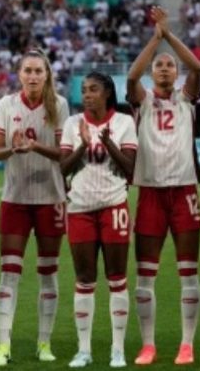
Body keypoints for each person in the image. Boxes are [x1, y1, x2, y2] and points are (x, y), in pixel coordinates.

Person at [124, 6, 200, 366]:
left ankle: (187, 344)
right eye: (160, 65)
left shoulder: (186, 99)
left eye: (170, 65)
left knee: (188, 270)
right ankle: (148, 344)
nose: (165, 68)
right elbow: (131, 77)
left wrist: (169, 35)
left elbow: (198, 68)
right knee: (145, 275)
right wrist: (154, 40)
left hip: (185, 191)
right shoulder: (142, 100)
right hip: (151, 193)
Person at [0, 51, 70, 366]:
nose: (33, 76)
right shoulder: (7, 105)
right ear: (19, 74)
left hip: (51, 199)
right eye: (28, 71)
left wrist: (35, 146)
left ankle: (44, 343)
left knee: (48, 273)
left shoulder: (59, 105)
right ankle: (3, 345)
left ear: (47, 75)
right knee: (9, 273)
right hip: (15, 199)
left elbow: (65, 154)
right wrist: (14, 147)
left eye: (39, 71)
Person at [60, 71, 138, 369]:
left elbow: (131, 168)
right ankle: (84, 349)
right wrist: (82, 144)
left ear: (107, 92)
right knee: (84, 279)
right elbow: (62, 168)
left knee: (117, 279)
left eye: (93, 89)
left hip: (113, 206)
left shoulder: (124, 123)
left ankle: (117, 349)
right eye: (84, 89)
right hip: (80, 208)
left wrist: (108, 143)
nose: (87, 94)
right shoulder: (71, 124)